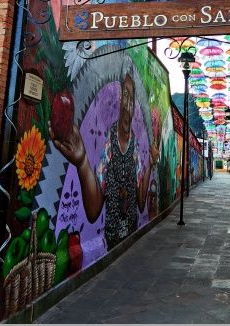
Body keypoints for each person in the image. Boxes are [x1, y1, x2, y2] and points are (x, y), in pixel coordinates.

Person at [50, 64, 160, 250]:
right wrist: (83, 162)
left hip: (132, 230)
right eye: (125, 95)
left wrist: (150, 163)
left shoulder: (134, 146)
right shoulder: (109, 140)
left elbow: (141, 203)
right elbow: (93, 211)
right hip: (111, 239)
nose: (128, 103)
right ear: (117, 99)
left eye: (131, 97)